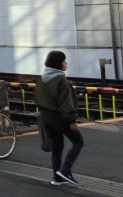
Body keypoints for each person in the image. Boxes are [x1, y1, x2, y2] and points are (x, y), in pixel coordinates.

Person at [34, 51, 84, 186]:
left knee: (58, 145)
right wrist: (72, 121)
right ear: (58, 64)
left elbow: (37, 99)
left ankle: (57, 177)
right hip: (60, 118)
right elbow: (66, 103)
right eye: (64, 61)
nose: (66, 64)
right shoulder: (61, 80)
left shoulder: (41, 79)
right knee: (78, 142)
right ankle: (66, 170)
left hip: (46, 117)